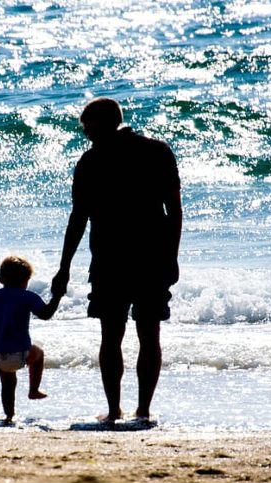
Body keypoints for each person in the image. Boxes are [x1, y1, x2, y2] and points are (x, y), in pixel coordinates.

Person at [51, 97, 182, 424]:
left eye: (88, 127)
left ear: (105, 122)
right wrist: (171, 255)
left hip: (110, 259)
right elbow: (174, 211)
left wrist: (65, 267)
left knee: (114, 335)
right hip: (151, 256)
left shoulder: (91, 161)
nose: (85, 134)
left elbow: (78, 219)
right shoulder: (157, 151)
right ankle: (142, 410)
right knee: (147, 334)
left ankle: (114, 410)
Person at [0, 256, 61, 425]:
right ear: (26, 280)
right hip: (22, 353)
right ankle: (33, 390)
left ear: (1, 279)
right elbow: (46, 314)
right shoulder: (28, 297)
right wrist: (57, 296)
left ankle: (9, 416)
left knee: (8, 384)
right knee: (39, 354)